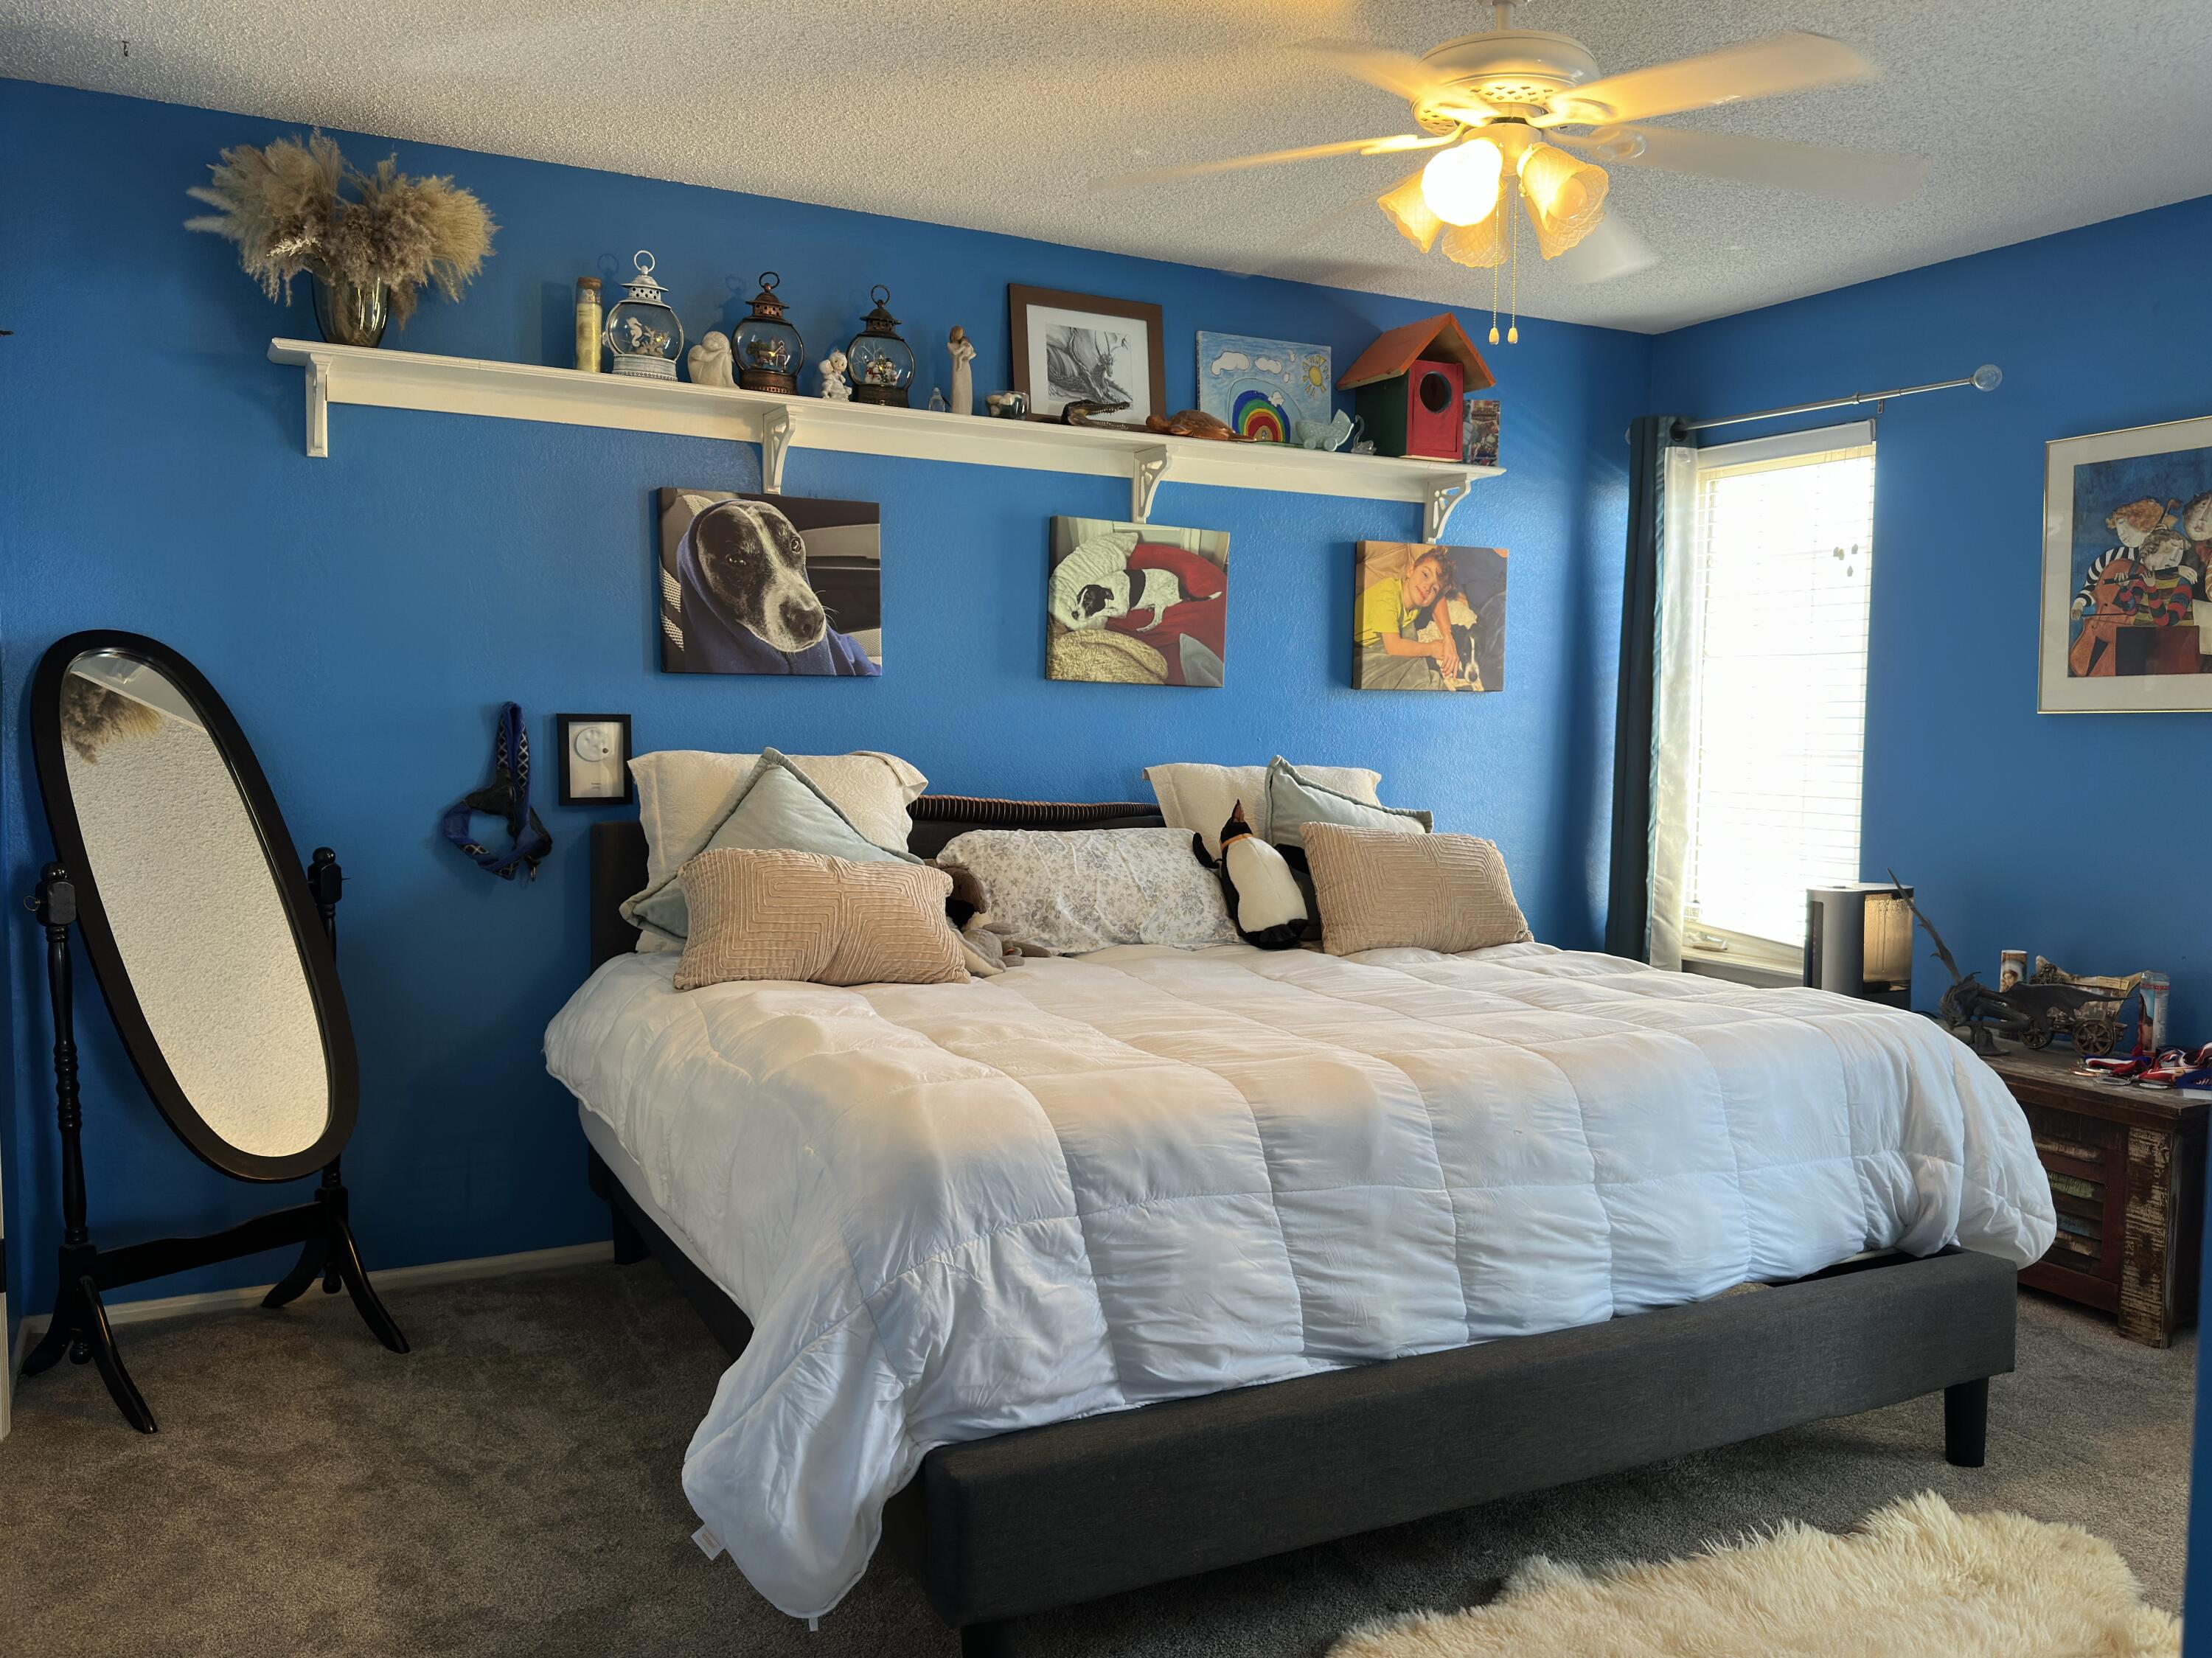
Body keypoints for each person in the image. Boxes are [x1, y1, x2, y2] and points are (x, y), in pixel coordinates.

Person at [1355, 548, 1461, 690]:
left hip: (1382, 636)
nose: (1427, 587)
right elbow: (1394, 647)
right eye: (1425, 574)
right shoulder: (1387, 594)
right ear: (1411, 570)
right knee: (1408, 666)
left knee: (1411, 639)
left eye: (1434, 589)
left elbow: (1439, 599)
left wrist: (1448, 638)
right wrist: (1432, 649)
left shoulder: (1417, 600)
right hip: (1360, 644)